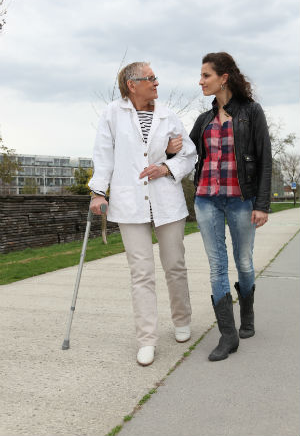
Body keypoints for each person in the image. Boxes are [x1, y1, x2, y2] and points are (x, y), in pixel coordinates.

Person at [88, 62, 197, 366]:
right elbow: (103, 154)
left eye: (156, 78)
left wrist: (167, 166)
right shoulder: (112, 113)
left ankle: (181, 320)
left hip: (166, 201)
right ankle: (146, 338)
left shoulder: (167, 115)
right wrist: (98, 191)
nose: (156, 83)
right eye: (151, 79)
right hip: (129, 202)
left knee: (175, 264)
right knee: (141, 273)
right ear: (132, 84)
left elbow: (189, 153)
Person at [189, 52, 272, 361]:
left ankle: (247, 316)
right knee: (217, 265)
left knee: (245, 261)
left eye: (205, 75)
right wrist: (172, 149)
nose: (200, 81)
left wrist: (262, 204)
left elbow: (265, 160)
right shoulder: (203, 120)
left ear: (223, 78)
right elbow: (186, 154)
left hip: (241, 200)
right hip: (206, 199)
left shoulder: (251, 113)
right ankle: (228, 334)